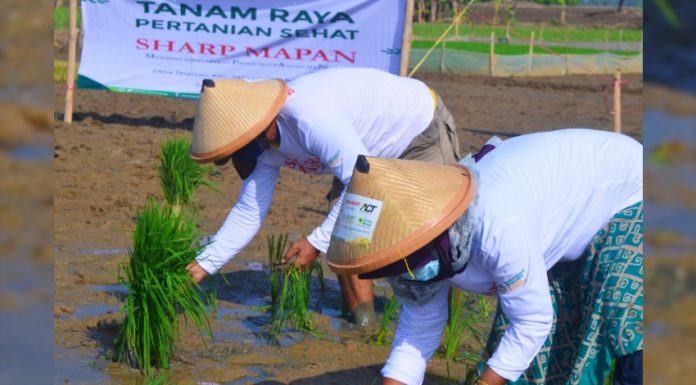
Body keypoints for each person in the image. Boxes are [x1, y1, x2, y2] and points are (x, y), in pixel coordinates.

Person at [325, 128, 643, 385]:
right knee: (536, 354)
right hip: (557, 214)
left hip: (632, 190)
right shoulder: (415, 246)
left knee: (623, 315)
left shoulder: (498, 228)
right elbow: (418, 330)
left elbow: (532, 321)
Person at [185, 66, 462, 328]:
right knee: (348, 237)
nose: (241, 156)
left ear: (258, 125)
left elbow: (359, 182)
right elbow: (249, 211)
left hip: (417, 130)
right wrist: (201, 266)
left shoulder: (310, 118)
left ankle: (444, 332)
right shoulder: (259, 145)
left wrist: (314, 242)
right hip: (360, 155)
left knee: (438, 240)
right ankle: (364, 325)